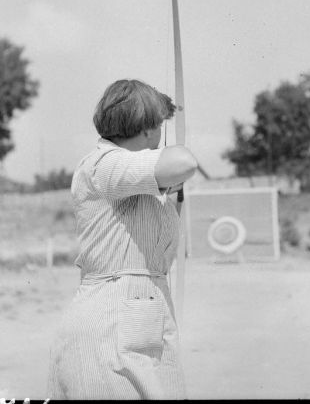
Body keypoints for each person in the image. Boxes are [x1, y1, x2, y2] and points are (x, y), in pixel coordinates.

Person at [47, 79, 197, 399]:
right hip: (109, 327)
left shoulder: (130, 177)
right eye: (159, 126)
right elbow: (183, 162)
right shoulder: (104, 164)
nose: (159, 137)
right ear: (146, 129)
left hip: (139, 319)